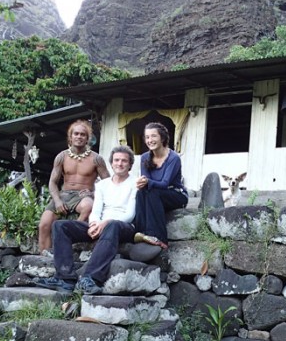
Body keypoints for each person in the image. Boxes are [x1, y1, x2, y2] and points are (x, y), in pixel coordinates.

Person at [36, 145, 137, 295]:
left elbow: (130, 214)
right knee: (60, 226)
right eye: (116, 160)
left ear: (130, 164)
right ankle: (65, 278)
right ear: (111, 162)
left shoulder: (135, 183)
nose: (120, 164)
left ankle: (90, 278)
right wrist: (94, 223)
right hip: (100, 224)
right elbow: (96, 210)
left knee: (112, 225)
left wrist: (104, 223)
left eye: (124, 161)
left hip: (123, 226)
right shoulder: (102, 185)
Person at [38, 119, 110, 255]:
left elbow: (108, 183)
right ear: (70, 137)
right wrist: (58, 201)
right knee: (44, 224)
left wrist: (93, 193)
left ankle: (71, 235)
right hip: (64, 195)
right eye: (76, 134)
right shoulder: (62, 156)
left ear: (88, 138)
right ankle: (44, 257)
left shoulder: (96, 159)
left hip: (83, 196)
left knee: (88, 206)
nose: (79, 137)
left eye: (83, 134)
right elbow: (53, 182)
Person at [133, 122, 188, 249]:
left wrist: (147, 182)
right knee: (141, 192)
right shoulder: (144, 157)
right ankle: (140, 232)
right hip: (156, 195)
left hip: (176, 194)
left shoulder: (173, 158)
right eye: (147, 137)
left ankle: (159, 237)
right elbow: (146, 183)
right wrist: (142, 182)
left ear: (162, 138)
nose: (149, 140)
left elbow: (164, 183)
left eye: (153, 136)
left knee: (153, 191)